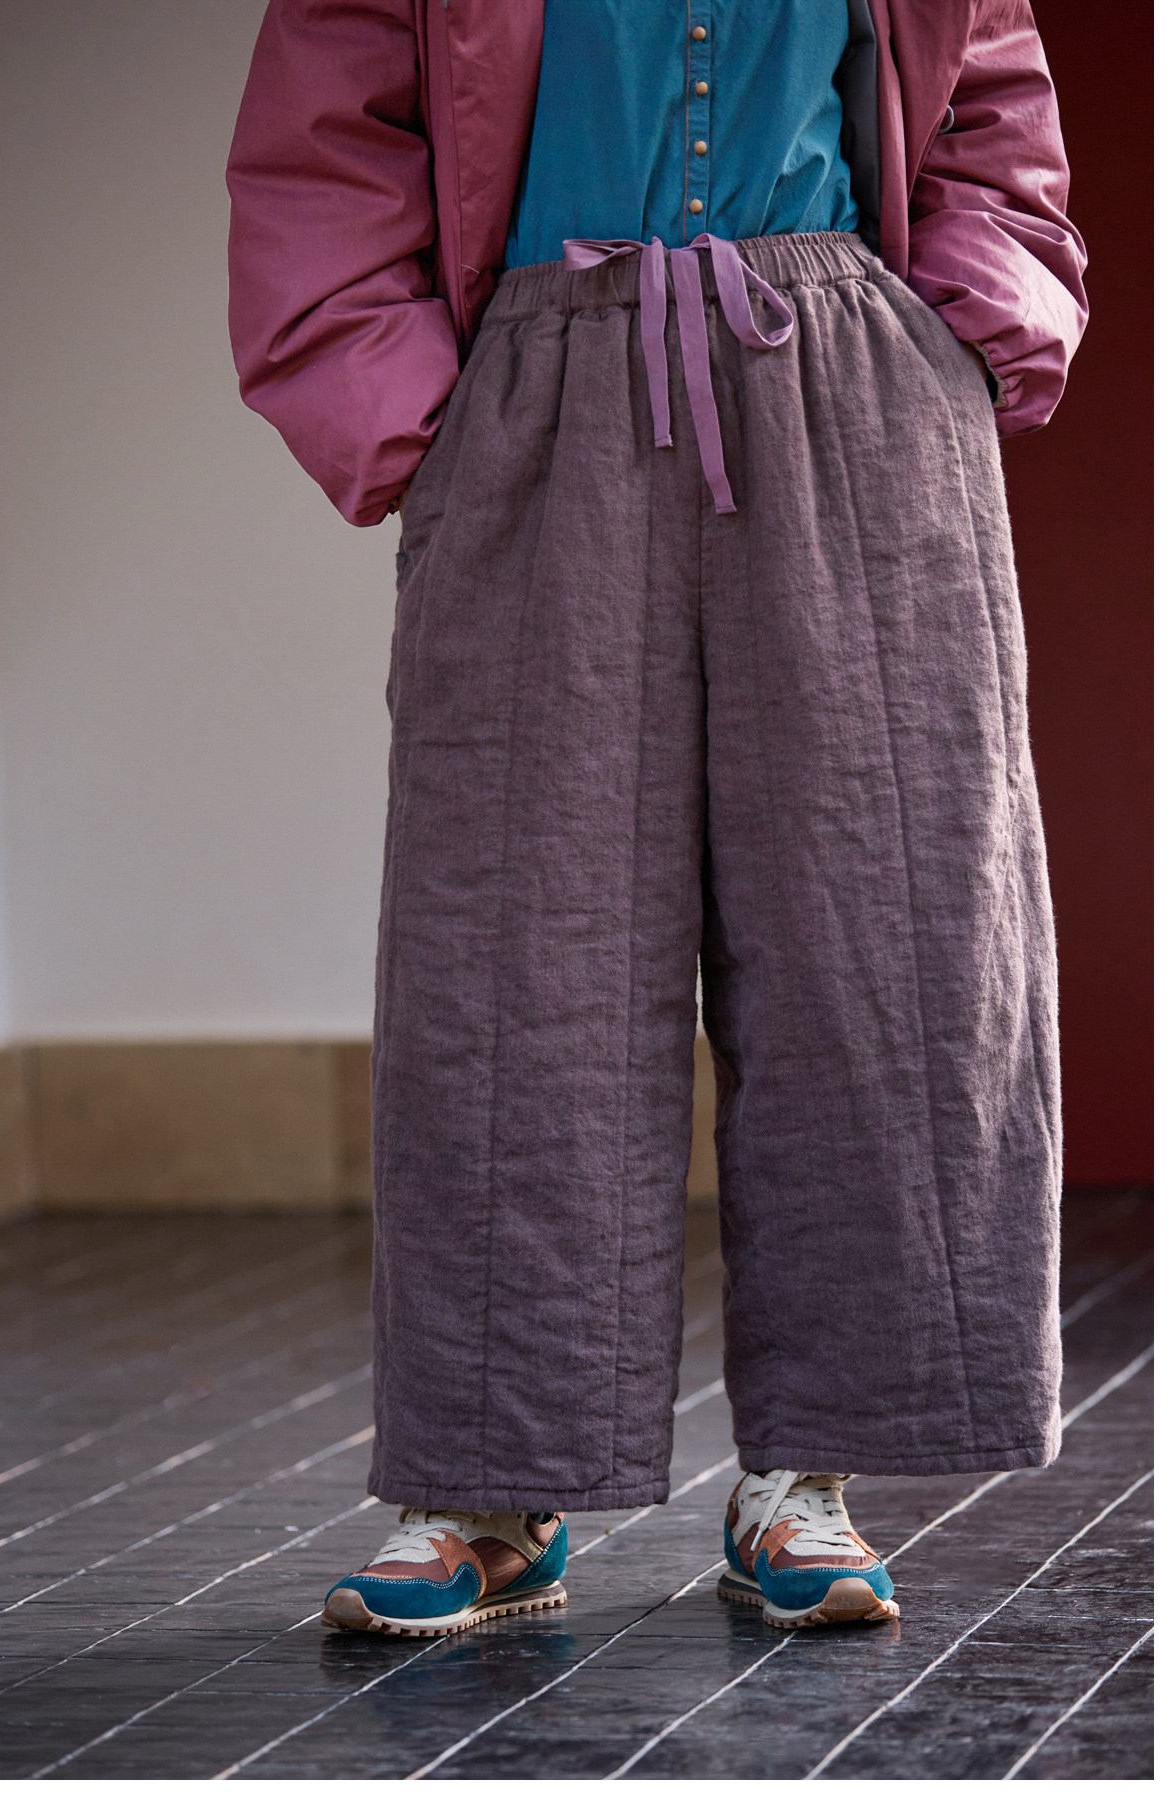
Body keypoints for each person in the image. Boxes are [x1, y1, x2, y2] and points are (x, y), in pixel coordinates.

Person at [227, 0, 1087, 1639]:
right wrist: (411, 408)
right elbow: (321, 146)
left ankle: (811, 1474)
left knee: (877, 932)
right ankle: (487, 1485)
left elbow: (990, 103)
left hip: (850, 388)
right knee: (511, 960)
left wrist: (962, 343)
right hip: (537, 392)